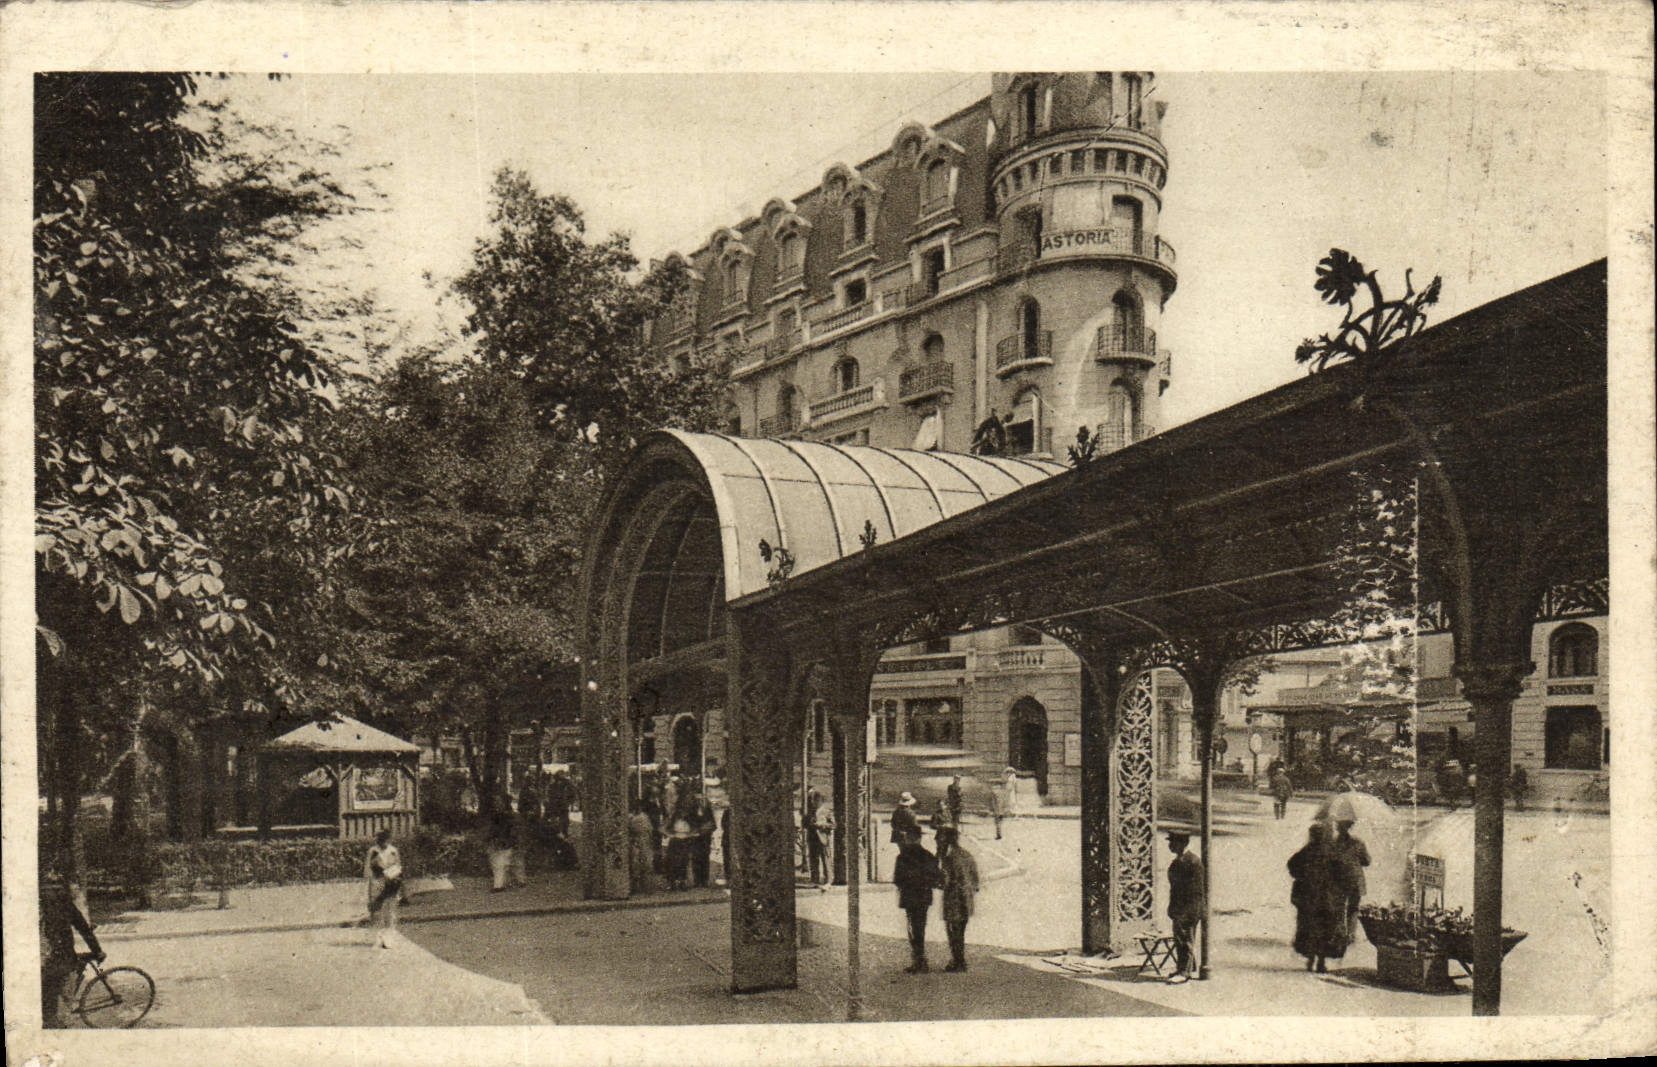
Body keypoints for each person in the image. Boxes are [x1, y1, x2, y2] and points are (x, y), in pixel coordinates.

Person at [40, 877, 103, 1027]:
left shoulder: (39, 906)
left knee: (48, 1002)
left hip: (45, 961)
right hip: (59, 962)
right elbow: (84, 929)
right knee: (62, 999)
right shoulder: (65, 905)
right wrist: (98, 951)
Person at [1287, 823, 1348, 973]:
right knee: (1325, 928)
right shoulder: (1332, 852)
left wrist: (1302, 877)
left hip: (1309, 898)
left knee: (1309, 927)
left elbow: (1292, 865)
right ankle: (1321, 961)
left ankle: (1310, 959)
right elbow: (1341, 872)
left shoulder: (1306, 851)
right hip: (1327, 898)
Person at [892, 835, 942, 974]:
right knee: (920, 927)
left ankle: (918, 960)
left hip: (909, 897)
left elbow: (897, 879)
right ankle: (920, 959)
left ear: (908, 839)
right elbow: (936, 879)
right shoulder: (929, 856)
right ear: (919, 838)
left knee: (913, 929)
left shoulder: (902, 857)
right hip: (924, 897)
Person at [936, 826, 980, 972]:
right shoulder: (967, 855)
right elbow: (976, 880)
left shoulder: (949, 859)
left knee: (953, 931)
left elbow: (944, 881)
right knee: (960, 931)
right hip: (967, 900)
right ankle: (959, 960)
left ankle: (958, 961)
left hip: (953, 900)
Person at [1165, 831, 1205, 984]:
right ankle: (1186, 967)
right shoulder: (1179, 861)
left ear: (1182, 844)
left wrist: (1188, 911)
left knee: (1185, 939)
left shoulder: (1193, 862)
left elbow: (1196, 890)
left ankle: (1184, 972)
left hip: (1188, 908)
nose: (1170, 846)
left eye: (1173, 843)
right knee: (1180, 938)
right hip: (1179, 907)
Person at [1330, 818, 1371, 944]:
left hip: (1339, 879)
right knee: (1353, 908)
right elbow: (1367, 861)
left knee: (1339, 907)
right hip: (1355, 880)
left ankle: (1340, 933)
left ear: (1338, 827)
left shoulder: (1333, 843)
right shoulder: (1358, 842)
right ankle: (1351, 935)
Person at [365, 828, 403, 948]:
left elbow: (398, 866)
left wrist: (395, 877)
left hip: (391, 882)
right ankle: (377, 938)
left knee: (390, 911)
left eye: (387, 839)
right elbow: (367, 869)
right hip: (377, 881)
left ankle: (389, 939)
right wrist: (372, 881)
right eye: (382, 839)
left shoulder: (393, 851)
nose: (384, 842)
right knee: (376, 910)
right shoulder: (373, 851)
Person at [686, 791, 719, 889]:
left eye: (701, 799)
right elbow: (689, 823)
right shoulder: (691, 811)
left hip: (705, 838)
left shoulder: (707, 811)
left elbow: (713, 824)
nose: (699, 801)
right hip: (695, 838)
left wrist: (705, 830)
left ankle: (704, 880)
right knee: (695, 858)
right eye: (697, 800)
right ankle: (697, 880)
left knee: (704, 858)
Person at [806, 791, 835, 885]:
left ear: (821, 801)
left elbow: (833, 825)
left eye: (816, 800)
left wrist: (822, 825)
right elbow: (804, 824)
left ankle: (828, 880)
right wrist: (810, 824)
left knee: (825, 859)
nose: (814, 802)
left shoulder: (827, 812)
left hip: (823, 839)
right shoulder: (810, 812)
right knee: (813, 859)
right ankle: (815, 880)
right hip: (812, 838)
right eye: (813, 800)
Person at [628, 801, 658, 893]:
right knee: (636, 863)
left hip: (643, 840)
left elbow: (649, 830)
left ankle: (646, 887)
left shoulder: (643, 817)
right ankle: (637, 886)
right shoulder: (632, 817)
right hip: (636, 840)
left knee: (645, 863)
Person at [487, 798, 515, 892]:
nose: (497, 806)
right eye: (496, 803)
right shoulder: (500, 816)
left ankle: (499, 885)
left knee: (500, 864)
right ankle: (501, 883)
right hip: (501, 841)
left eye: (499, 803)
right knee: (500, 864)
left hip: (503, 841)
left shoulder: (505, 817)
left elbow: (504, 830)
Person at [508, 795, 533, 888]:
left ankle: (520, 879)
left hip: (517, 839)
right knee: (516, 859)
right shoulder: (516, 816)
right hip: (515, 839)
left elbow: (521, 830)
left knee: (517, 859)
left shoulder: (515, 817)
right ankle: (518, 879)